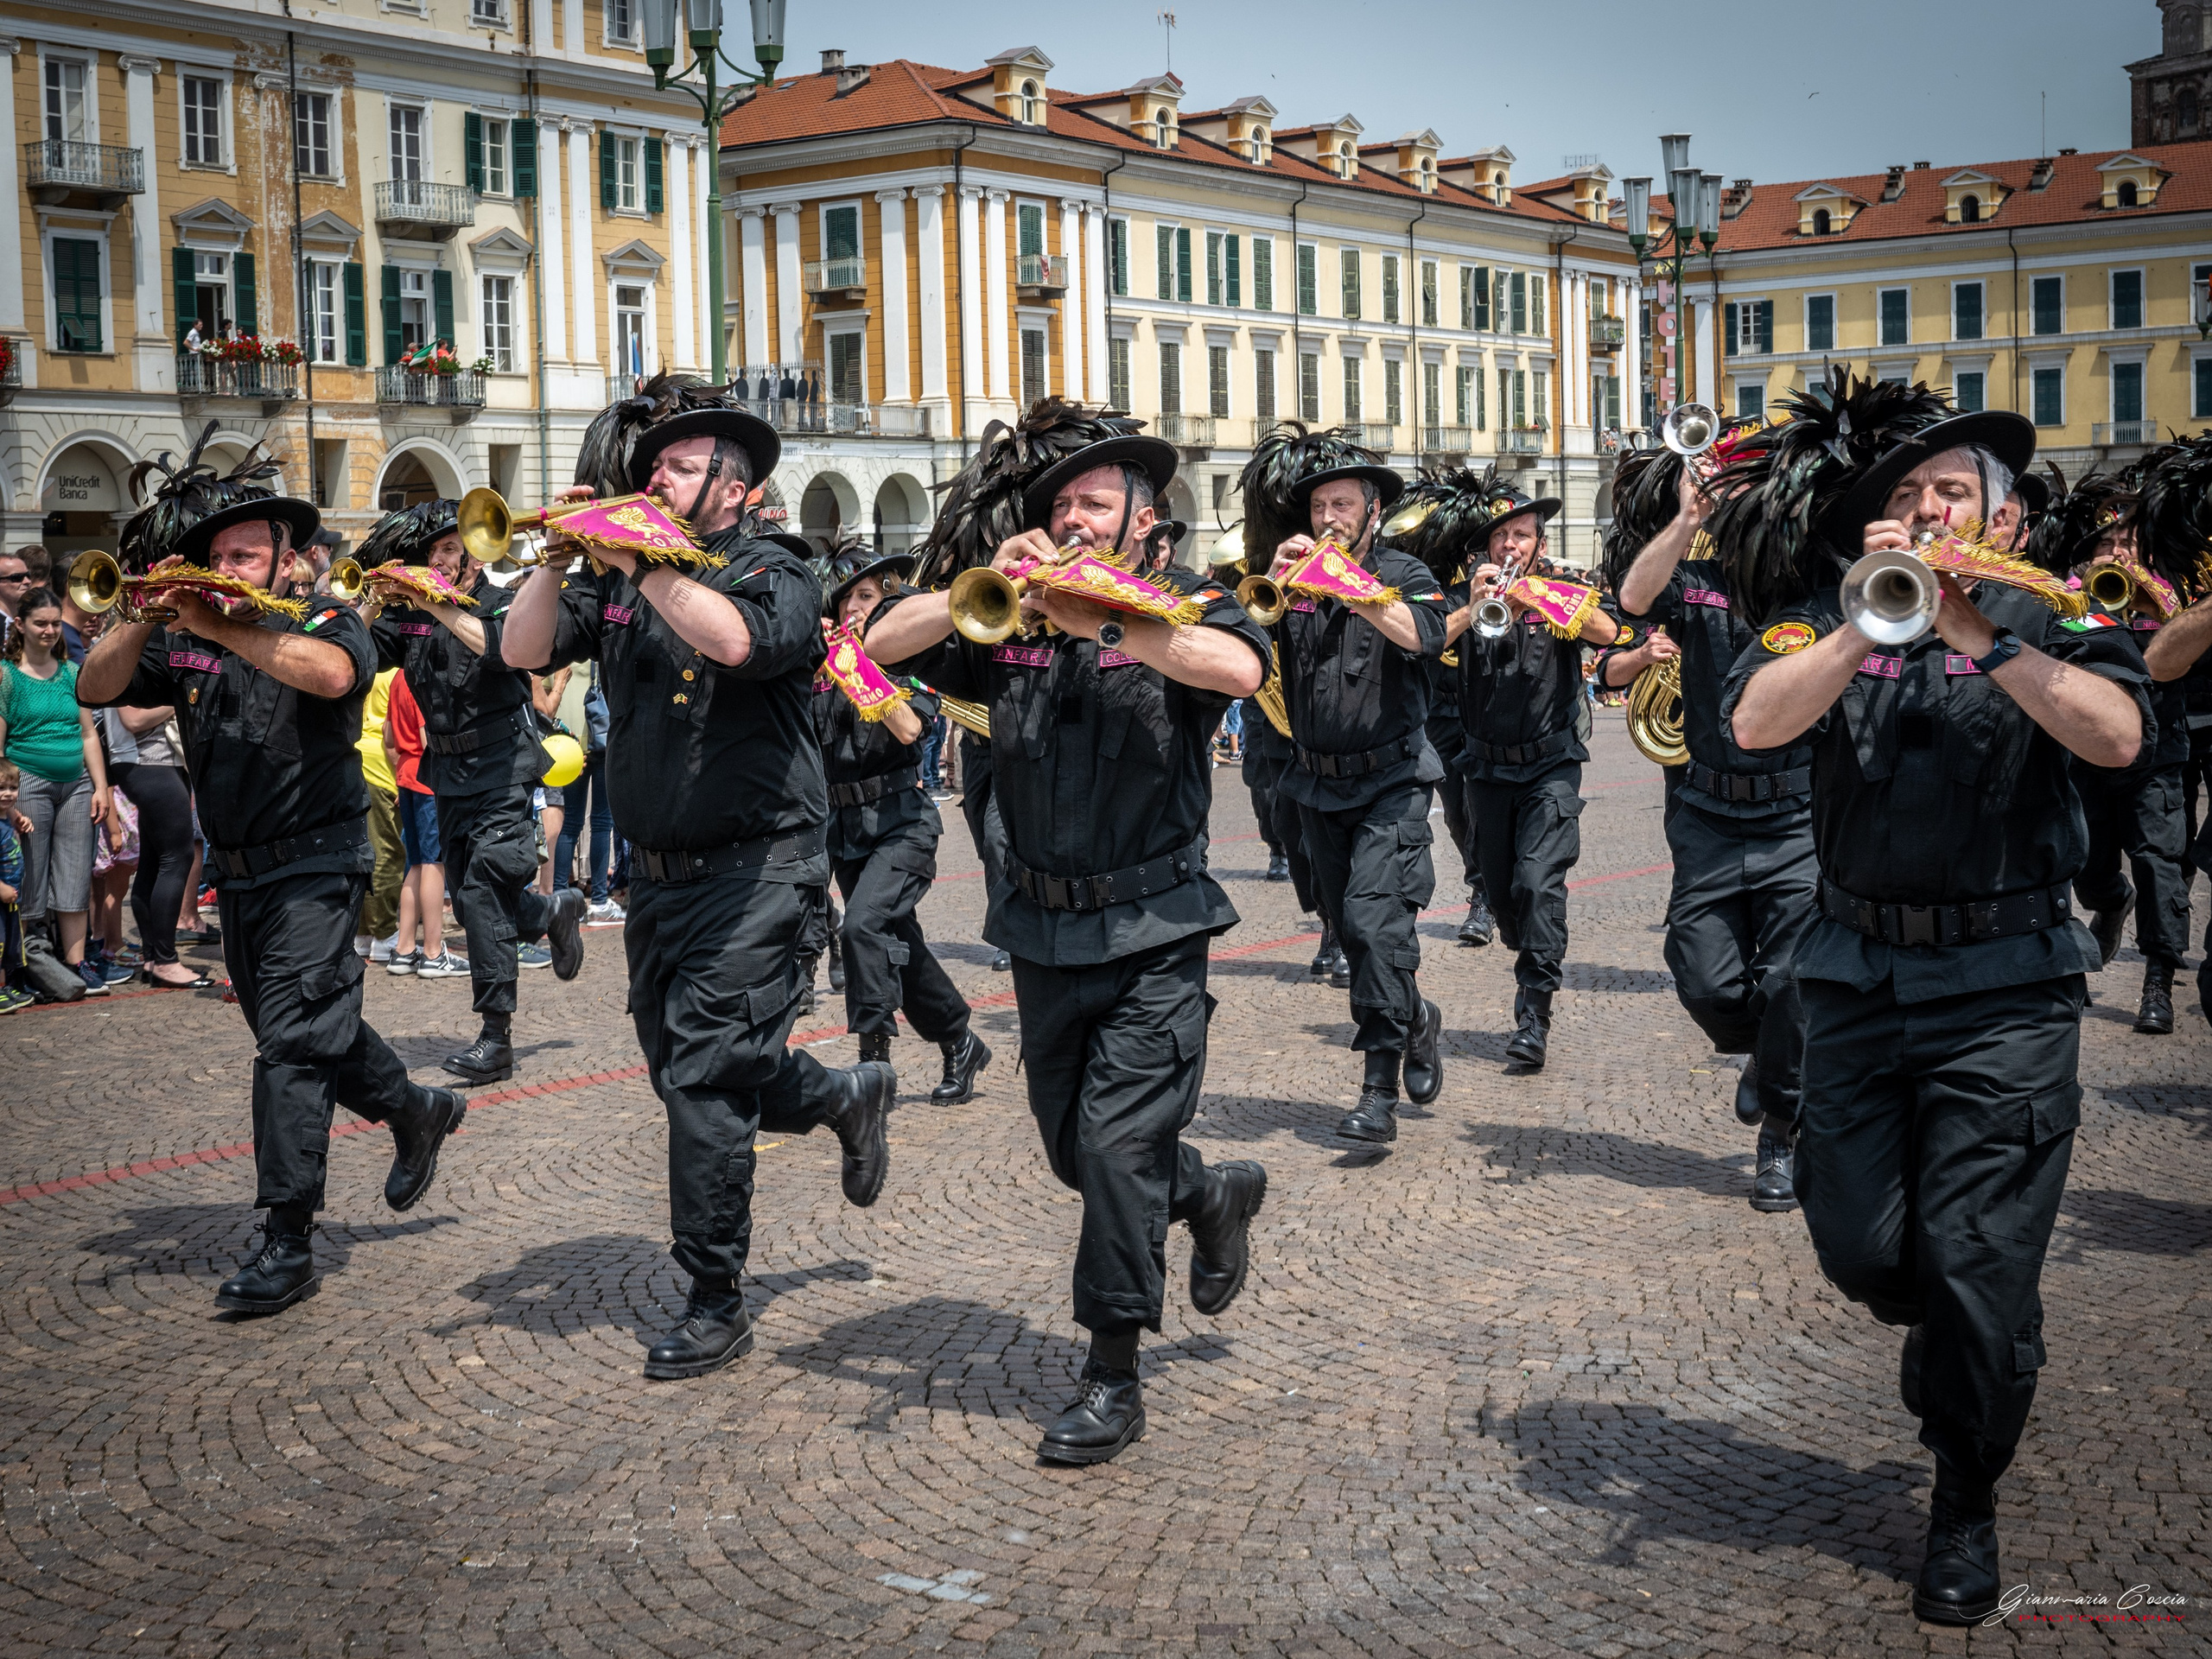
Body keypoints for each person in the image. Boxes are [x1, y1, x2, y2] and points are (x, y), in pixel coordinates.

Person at [1719, 371, 2146, 1626]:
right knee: (1861, 1247)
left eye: (1951, 491)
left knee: (1976, 1266)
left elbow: (2116, 735)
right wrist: (1871, 623)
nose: (1929, 509)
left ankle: (1965, 1496)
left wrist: (1984, 637)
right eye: (1906, 497)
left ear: (2002, 519)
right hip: (1856, 980)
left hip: (2007, 991)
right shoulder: (1827, 617)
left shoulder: (2053, 615)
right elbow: (1749, 724)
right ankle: (1960, 1335)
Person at [868, 410, 1270, 1465]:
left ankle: (1111, 1371)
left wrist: (1102, 617)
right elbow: (876, 647)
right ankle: (1212, 1194)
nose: (1072, 521)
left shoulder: (1188, 607)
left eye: (1094, 503)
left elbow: (1232, 671)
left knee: (1114, 1146)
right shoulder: (1012, 620)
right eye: (1059, 508)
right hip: (1041, 930)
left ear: (1147, 523)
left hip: (1154, 926)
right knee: (1071, 1155)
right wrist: (980, 576)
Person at [499, 377, 895, 1382]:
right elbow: (522, 647)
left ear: (733, 479)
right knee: (687, 1070)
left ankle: (714, 1295)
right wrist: (556, 556)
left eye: (679, 463)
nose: (655, 475)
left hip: (763, 863)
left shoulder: (779, 566)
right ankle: (839, 1096)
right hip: (660, 877)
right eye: (654, 463)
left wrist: (642, 559)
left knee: (707, 1081)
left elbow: (737, 641)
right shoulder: (619, 578)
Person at [74, 435, 470, 1315]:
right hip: (243, 874)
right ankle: (413, 1109)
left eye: (243, 553)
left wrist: (219, 621)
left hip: (317, 864)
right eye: (215, 556)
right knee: (311, 1028)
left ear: (288, 560)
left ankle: (286, 1238)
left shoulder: (328, 618)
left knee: (290, 1046)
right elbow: (95, 689)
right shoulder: (184, 630)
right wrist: (148, 606)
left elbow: (331, 677)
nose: (226, 565)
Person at [1606, 435, 1817, 1211]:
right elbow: (1630, 600)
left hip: (1796, 812)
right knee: (1701, 974)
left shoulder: (1808, 578)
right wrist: (1686, 516)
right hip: (1704, 810)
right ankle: (1764, 1054)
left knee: (1791, 981)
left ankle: (1782, 1137)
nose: (1738, 499)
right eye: (1729, 488)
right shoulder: (1689, 573)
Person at [1239, 429, 1452, 1143]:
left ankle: (1377, 1092)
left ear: (1372, 513)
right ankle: (1415, 1016)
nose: (1329, 517)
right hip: (1315, 786)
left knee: (1371, 923)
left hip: (1392, 781)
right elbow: (1247, 658)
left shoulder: (1406, 571)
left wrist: (1351, 587)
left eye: (1343, 505)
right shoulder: (1291, 579)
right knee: (1353, 933)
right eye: (1320, 506)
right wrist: (1269, 586)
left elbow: (1424, 635)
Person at [357, 501, 587, 1083]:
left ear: (472, 552)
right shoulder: (412, 612)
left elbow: (501, 647)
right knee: (469, 892)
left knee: (483, 886)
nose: (440, 560)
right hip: (445, 772)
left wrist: (435, 602)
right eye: (432, 552)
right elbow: (354, 650)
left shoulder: (502, 598)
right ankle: (549, 912)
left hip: (503, 763)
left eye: (450, 549)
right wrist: (370, 597)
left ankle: (495, 1036)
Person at [1442, 472, 1620, 1072]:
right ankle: (1527, 950)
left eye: (1522, 536)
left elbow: (1610, 631)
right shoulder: (1461, 594)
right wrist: (1475, 606)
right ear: (1485, 547)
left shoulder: (1563, 590)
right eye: (1502, 538)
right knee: (1507, 895)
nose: (1511, 547)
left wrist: (1539, 596)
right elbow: (1425, 644)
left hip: (1550, 766)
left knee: (1541, 883)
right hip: (1486, 771)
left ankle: (1533, 1015)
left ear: (1539, 544)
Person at [813, 548, 992, 1102]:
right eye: (846, 601)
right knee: (896, 942)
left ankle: (874, 1060)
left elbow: (910, 728)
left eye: (867, 599)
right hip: (844, 826)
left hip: (901, 822)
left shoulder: (911, 658)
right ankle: (960, 1038)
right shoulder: (821, 668)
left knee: (863, 927)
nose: (855, 612)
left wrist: (859, 668)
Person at [0, 590, 112, 998]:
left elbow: (88, 735)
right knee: (27, 878)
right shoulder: (7, 675)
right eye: (40, 623)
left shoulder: (71, 672)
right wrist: (5, 801)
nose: (49, 631)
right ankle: (24, 963)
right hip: (27, 779)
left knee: (75, 873)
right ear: (21, 625)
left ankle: (74, 963)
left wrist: (101, 787)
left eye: (53, 623)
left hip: (76, 783)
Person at [381, 669, 461, 978]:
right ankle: (432, 951)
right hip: (428, 778)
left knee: (416, 864)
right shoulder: (421, 674)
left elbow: (388, 734)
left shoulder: (399, 675)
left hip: (406, 773)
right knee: (433, 863)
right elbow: (430, 738)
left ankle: (403, 949)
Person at [353, 667, 404, 963]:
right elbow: (391, 730)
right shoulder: (397, 670)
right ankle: (384, 934)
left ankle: (364, 933)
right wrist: (401, 776)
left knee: (364, 852)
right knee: (385, 853)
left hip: (360, 757)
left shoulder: (369, 661)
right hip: (384, 766)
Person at [0, 763, 30, 1014]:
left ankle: (8, 986)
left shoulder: (6, 815)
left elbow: (11, 813)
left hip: (11, 897)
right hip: (3, 893)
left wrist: (19, 818)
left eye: (12, 787)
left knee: (11, 943)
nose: (7, 794)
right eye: (0, 788)